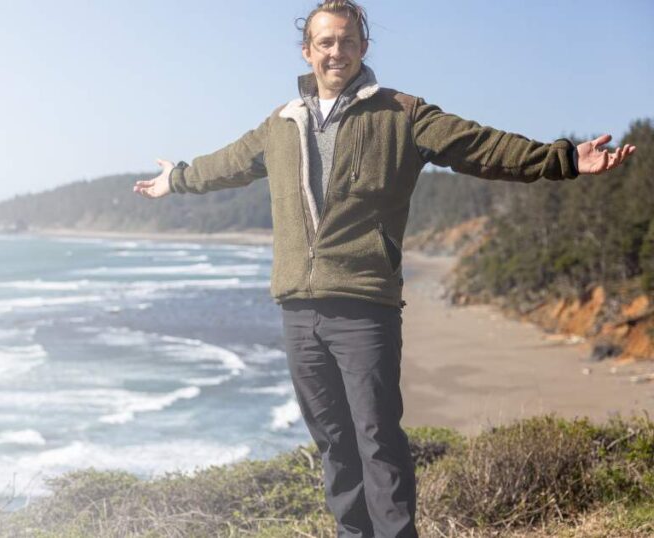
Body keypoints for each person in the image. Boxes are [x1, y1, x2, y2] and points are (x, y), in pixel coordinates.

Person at [131, 1, 637, 537]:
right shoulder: (280, 124)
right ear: (307, 51)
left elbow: (480, 146)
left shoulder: (403, 114)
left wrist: (561, 159)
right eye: (325, 42)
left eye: (347, 41)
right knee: (333, 441)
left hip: (364, 307)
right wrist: (179, 178)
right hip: (298, 311)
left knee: (378, 440)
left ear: (363, 48)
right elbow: (227, 164)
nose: (336, 51)